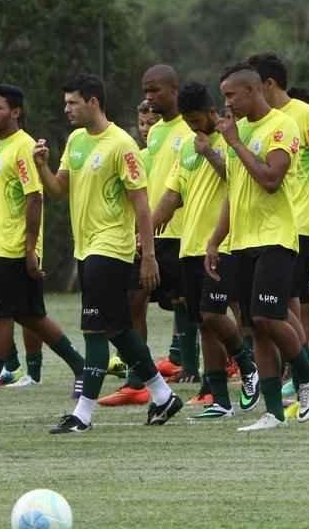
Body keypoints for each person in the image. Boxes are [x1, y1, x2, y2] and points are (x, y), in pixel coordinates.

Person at [33, 73, 183, 433]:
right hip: (86, 248)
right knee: (117, 329)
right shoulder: (75, 140)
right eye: (65, 103)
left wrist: (148, 255)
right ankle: (163, 395)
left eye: (72, 102)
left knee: (95, 330)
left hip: (111, 248)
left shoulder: (122, 145)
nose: (66, 109)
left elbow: (142, 205)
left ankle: (83, 415)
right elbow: (58, 189)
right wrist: (41, 166)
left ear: (93, 102)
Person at [208, 65, 309, 431]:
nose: (227, 103)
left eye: (231, 95)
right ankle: (273, 412)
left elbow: (271, 179)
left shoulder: (282, 125)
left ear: (253, 90)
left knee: (267, 317)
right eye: (223, 96)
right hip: (242, 241)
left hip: (276, 237)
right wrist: (215, 240)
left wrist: (235, 144)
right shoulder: (238, 131)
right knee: (254, 327)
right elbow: (234, 192)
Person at [151, 81, 260, 419]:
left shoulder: (231, 138)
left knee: (214, 314)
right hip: (189, 246)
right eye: (188, 122)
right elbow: (173, 194)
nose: (193, 128)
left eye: (197, 120)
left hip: (223, 243)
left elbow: (237, 178)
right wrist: (146, 231)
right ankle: (220, 400)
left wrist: (210, 152)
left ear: (212, 112)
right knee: (204, 324)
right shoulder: (187, 145)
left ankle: (247, 365)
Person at [0, 84, 86, 400]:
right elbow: (3, 205)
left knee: (3, 315)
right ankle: (81, 367)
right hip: (2, 247)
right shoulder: (3, 147)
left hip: (15, 249)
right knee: (27, 315)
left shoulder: (23, 147)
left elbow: (35, 198)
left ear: (16, 112)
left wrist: (30, 249)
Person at [247, 53, 309, 389]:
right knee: (282, 305)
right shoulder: (256, 122)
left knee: (290, 305)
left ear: (268, 84)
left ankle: (305, 373)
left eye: (251, 86)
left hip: (300, 226)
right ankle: (298, 371)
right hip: (264, 229)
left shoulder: (305, 116)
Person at [102, 66, 195, 406]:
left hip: (184, 231)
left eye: (155, 90)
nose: (149, 97)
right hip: (153, 232)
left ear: (174, 89)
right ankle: (137, 379)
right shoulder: (155, 134)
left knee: (194, 307)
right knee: (133, 300)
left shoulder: (190, 129)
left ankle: (199, 368)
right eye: (145, 91)